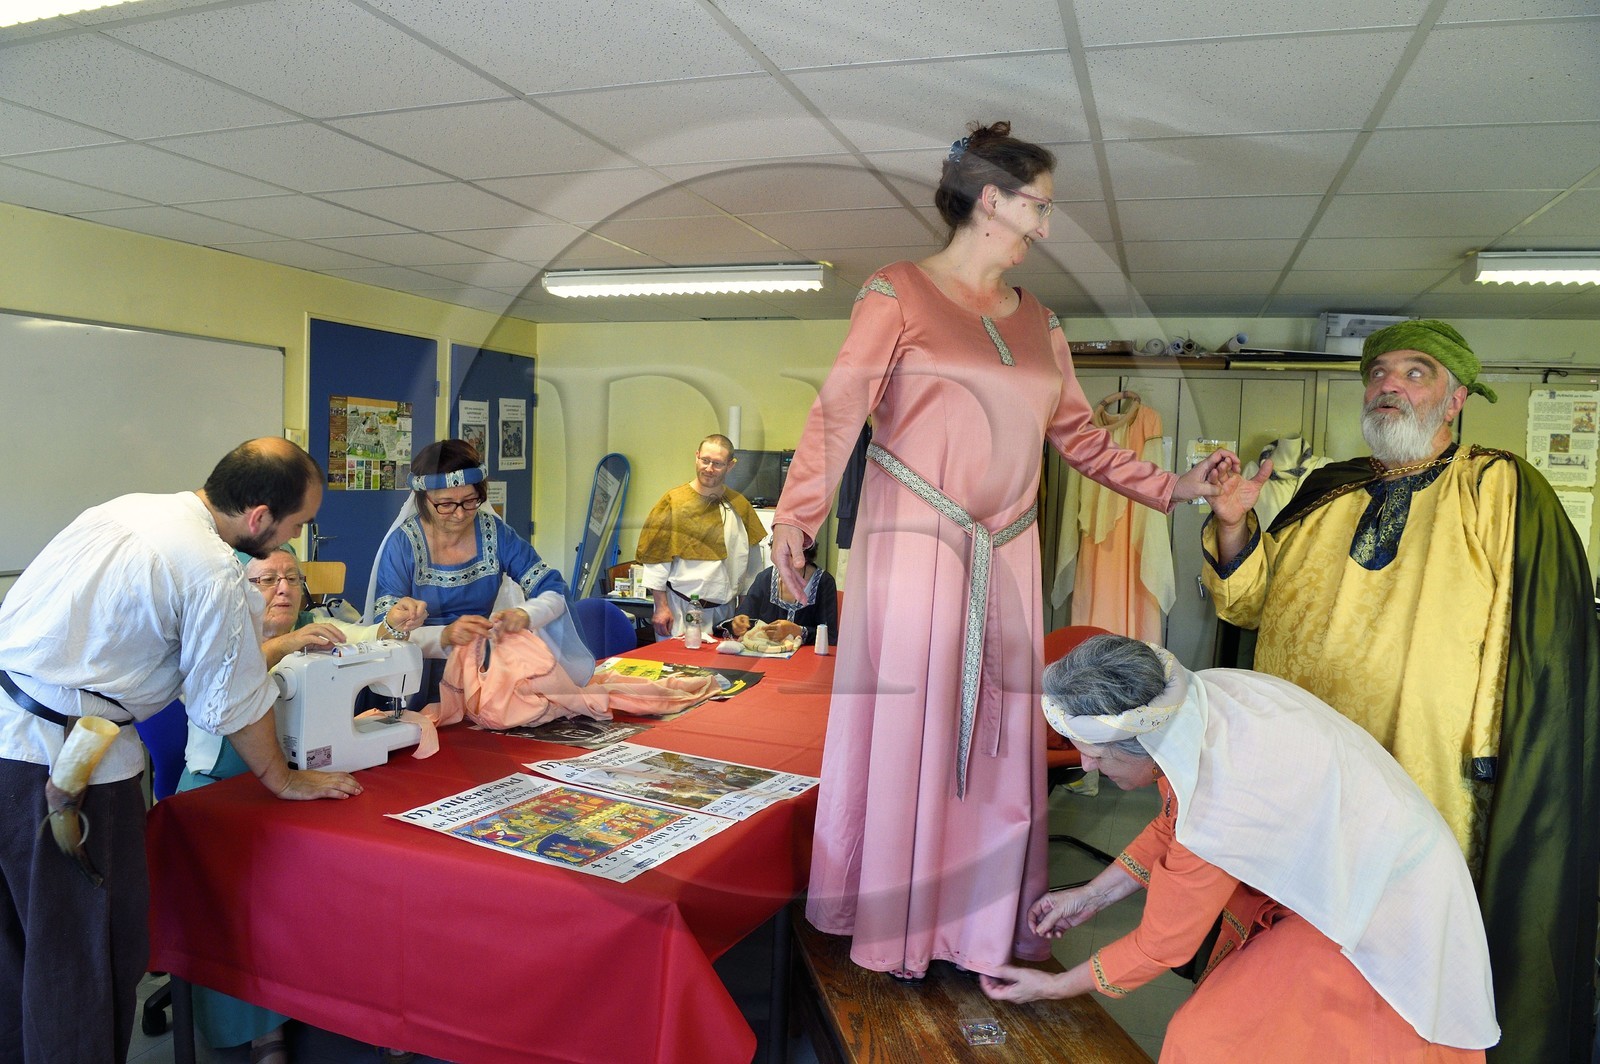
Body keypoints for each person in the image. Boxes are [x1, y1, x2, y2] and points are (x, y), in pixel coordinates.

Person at [768, 121, 1236, 982]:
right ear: (990, 199)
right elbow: (837, 413)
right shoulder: (896, 292)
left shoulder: (1043, 322)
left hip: (1008, 554)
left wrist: (1182, 486)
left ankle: (978, 928)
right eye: (1039, 207)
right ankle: (898, 923)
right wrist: (796, 516)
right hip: (915, 546)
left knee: (998, 739)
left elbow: (1085, 443)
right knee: (916, 725)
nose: (1048, 229)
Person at [1200, 320, 1599, 1064]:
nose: (1389, 384)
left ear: (1455, 400)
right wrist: (1231, 526)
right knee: (1295, 932)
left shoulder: (1498, 485)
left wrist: (1487, 755)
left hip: (1427, 770)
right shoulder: (1324, 493)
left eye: (1416, 374)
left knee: (1400, 955)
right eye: (1379, 372)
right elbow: (1244, 602)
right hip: (1307, 773)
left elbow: (1533, 640)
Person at [0, 438, 363, 1064]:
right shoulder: (210, 567)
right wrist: (281, 779)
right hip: (63, 763)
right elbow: (231, 700)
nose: (299, 536)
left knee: (19, 947)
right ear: (259, 518)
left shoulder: (130, 509)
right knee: (85, 956)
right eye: (298, 523)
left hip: (12, 739)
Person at [980, 635, 1498, 1062]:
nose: (1086, 767)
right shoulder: (1194, 705)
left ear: (1143, 746)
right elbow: (1172, 823)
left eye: (1093, 755)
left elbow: (1162, 945)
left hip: (1383, 907)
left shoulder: (1217, 805)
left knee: (1205, 1041)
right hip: (1357, 866)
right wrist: (1088, 896)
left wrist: (1051, 987)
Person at [178, 546, 426, 1062]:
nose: (284, 588)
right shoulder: (214, 626)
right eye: (267, 579)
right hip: (220, 783)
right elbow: (207, 677)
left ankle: (363, 1004)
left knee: (363, 863)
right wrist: (283, 645)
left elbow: (366, 637)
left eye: (291, 576)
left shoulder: (316, 621)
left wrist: (394, 626)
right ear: (239, 588)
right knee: (238, 886)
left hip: (298, 777)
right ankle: (262, 1026)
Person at [367, 439, 593, 705]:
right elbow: (385, 631)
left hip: (484, 676)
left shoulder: (495, 534)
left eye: (470, 501)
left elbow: (553, 590)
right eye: (446, 504)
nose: (460, 515)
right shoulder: (402, 545)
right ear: (423, 499)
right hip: (416, 683)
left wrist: (526, 614)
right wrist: (443, 637)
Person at [637, 434, 769, 639]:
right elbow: (656, 558)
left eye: (717, 463)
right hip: (681, 611)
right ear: (696, 456)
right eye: (705, 460)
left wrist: (744, 612)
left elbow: (751, 566)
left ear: (730, 466)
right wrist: (661, 607)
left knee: (721, 671)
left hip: (725, 613)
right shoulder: (674, 502)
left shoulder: (740, 506)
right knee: (677, 670)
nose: (709, 468)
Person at [714, 543, 838, 645]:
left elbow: (830, 637)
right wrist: (737, 625)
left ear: (804, 555)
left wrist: (798, 631)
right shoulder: (765, 579)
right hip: (765, 660)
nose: (782, 561)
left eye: (789, 555)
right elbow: (744, 618)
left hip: (806, 663)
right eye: (778, 554)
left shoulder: (824, 583)